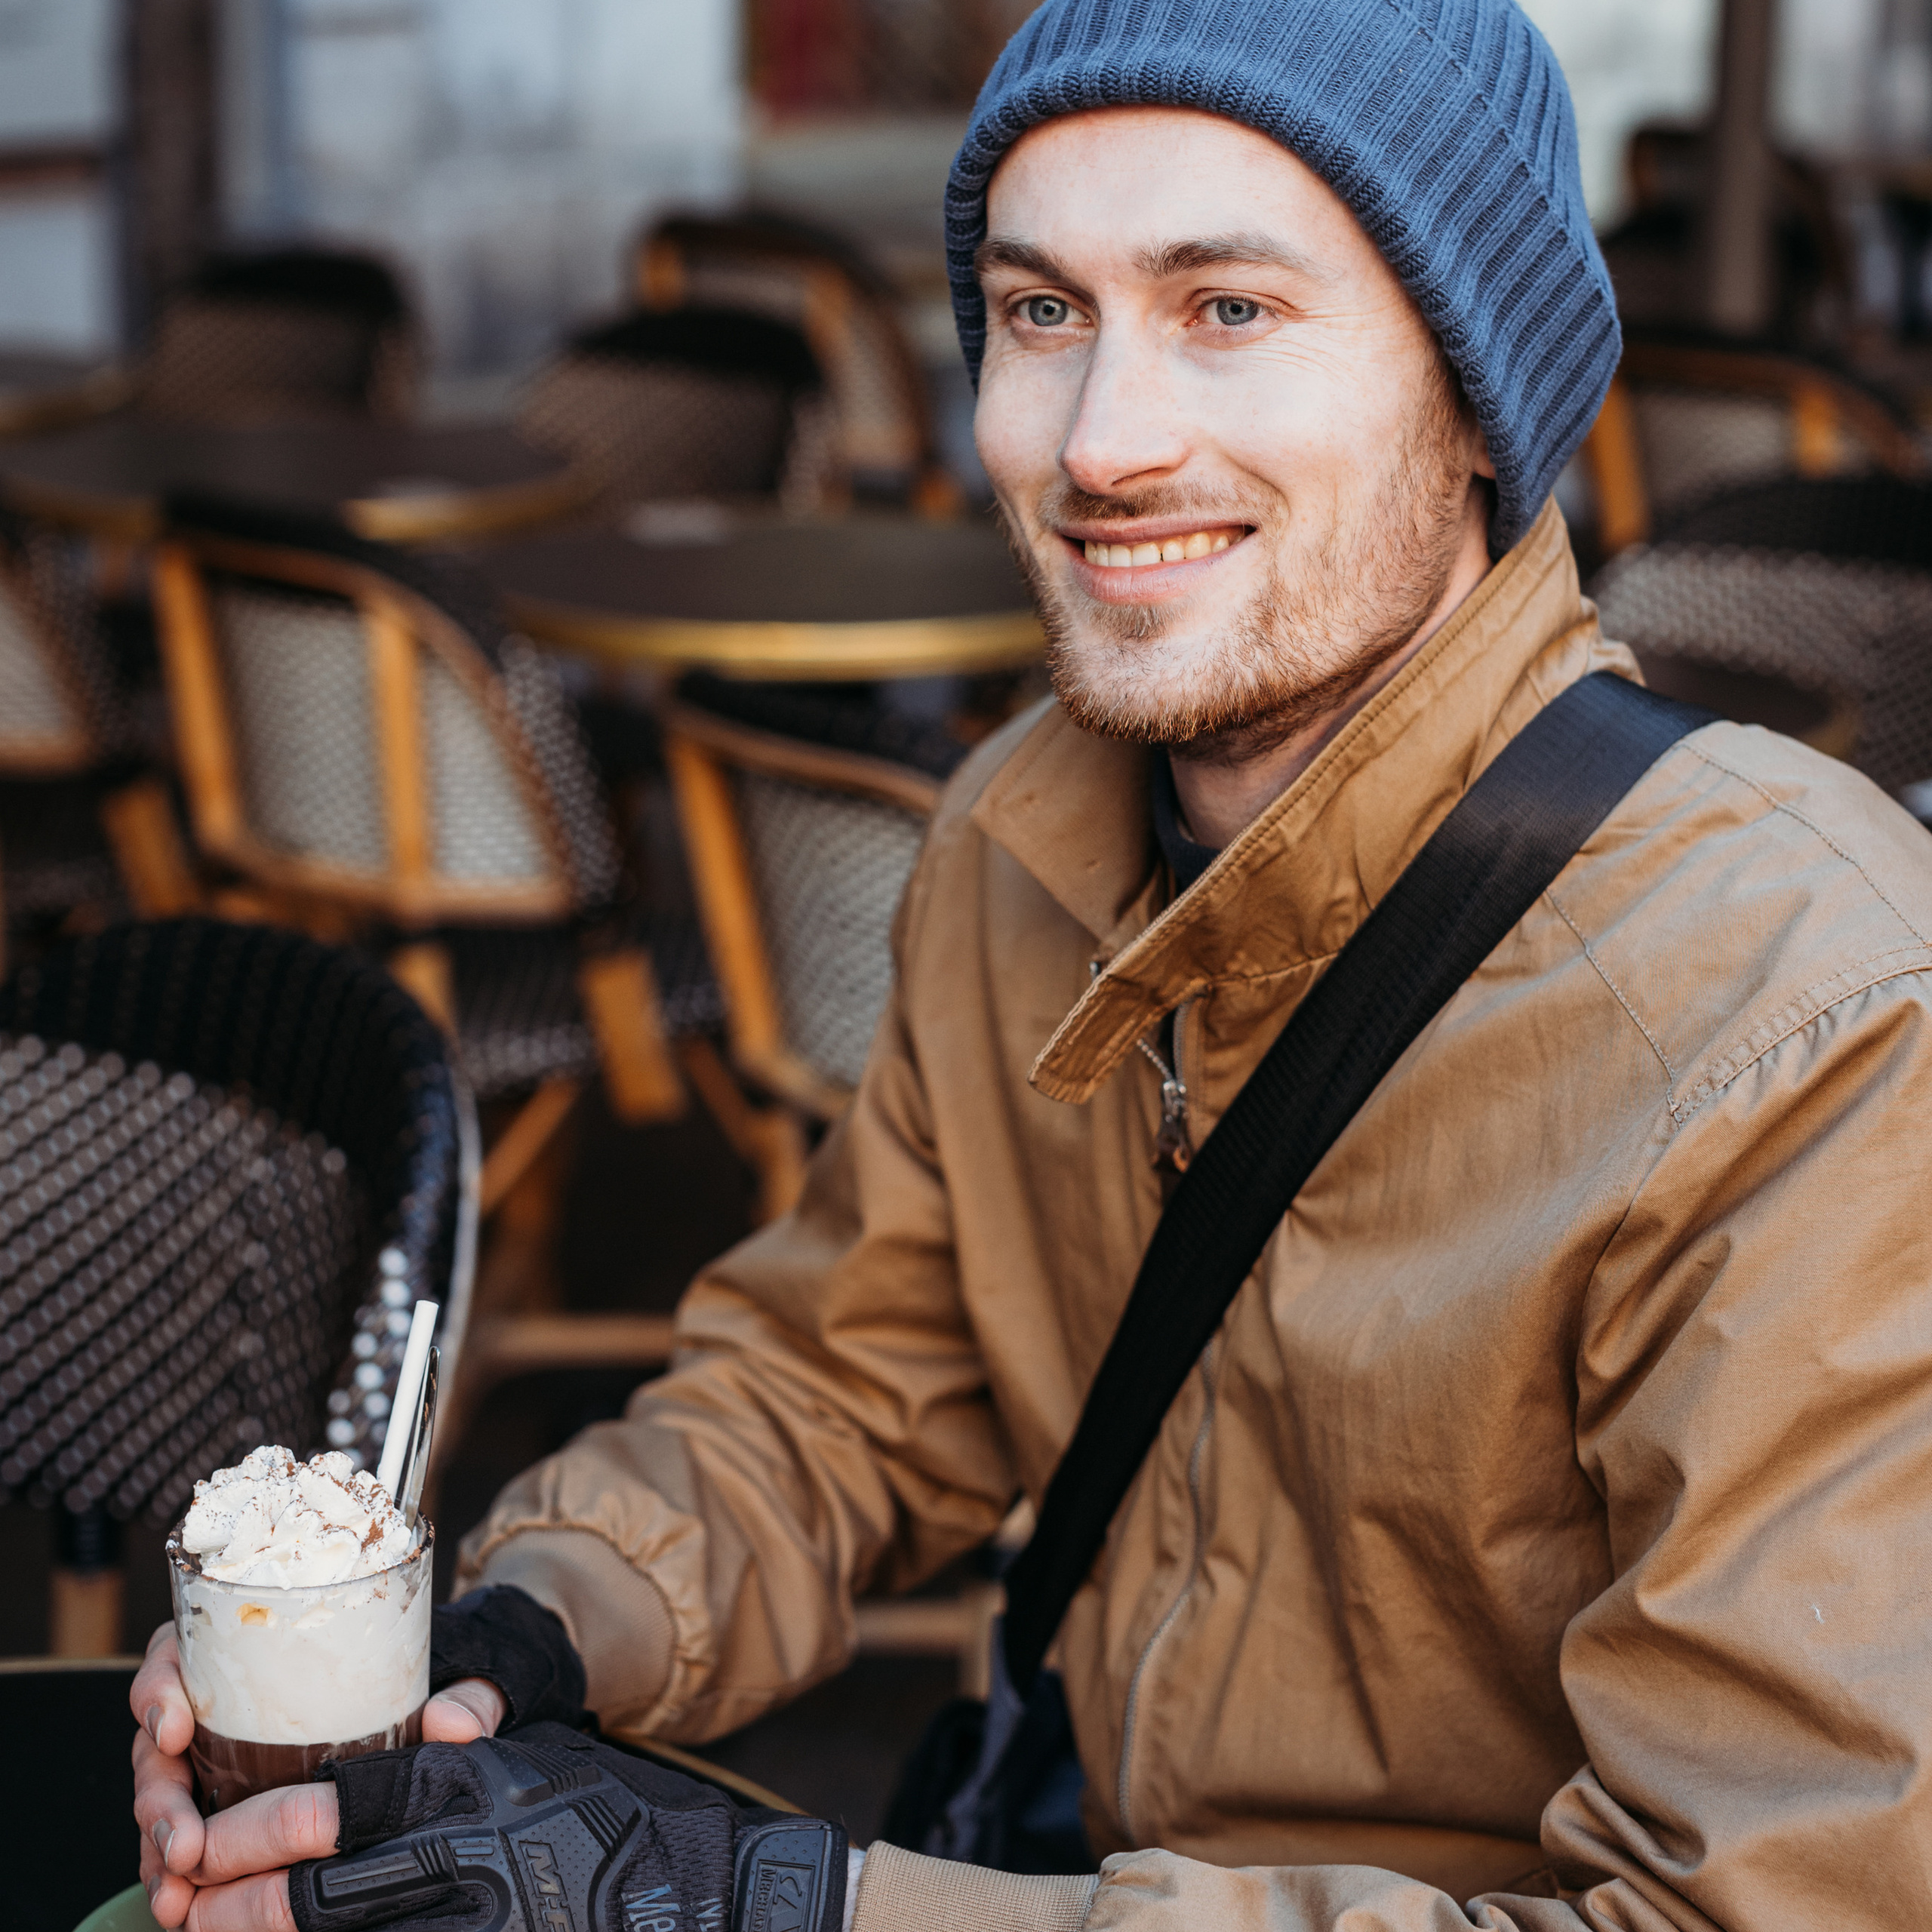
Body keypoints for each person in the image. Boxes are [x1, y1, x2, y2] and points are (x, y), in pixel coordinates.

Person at [134, 0, 1932, 1926]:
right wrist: (523, 1628)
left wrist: (774, 1903)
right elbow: (845, 1380)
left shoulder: (1803, 1007)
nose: (1100, 442)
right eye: (1039, 310)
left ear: (1481, 393)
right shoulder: (1020, 828)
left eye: (1227, 307)